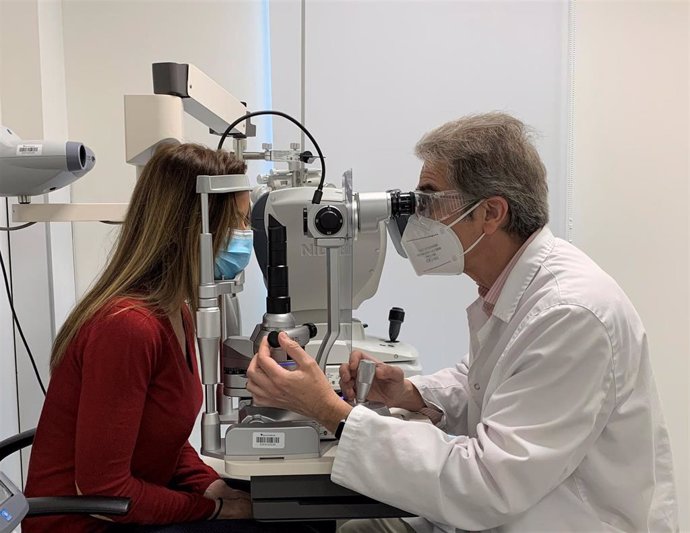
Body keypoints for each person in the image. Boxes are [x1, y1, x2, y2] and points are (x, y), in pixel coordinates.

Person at [246, 113, 679, 532]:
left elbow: (486, 485)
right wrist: (413, 394)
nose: (415, 219)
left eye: (429, 200)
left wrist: (328, 411)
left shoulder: (570, 313)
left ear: (491, 213)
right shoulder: (514, 287)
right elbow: (487, 382)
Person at [23, 143, 282, 533]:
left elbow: (164, 442)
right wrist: (210, 510)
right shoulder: (127, 327)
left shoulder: (175, 310)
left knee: (281, 515)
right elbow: (103, 490)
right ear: (194, 228)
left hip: (132, 508)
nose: (245, 236)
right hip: (87, 523)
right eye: (239, 222)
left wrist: (211, 487)